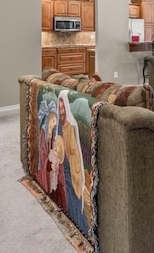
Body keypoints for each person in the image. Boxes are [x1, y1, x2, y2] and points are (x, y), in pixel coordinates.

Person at [58, 90, 88, 233]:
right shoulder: (59, 126)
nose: (62, 111)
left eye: (64, 107)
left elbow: (75, 153)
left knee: (75, 200)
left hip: (72, 170)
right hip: (63, 169)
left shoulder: (70, 127)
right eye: (60, 107)